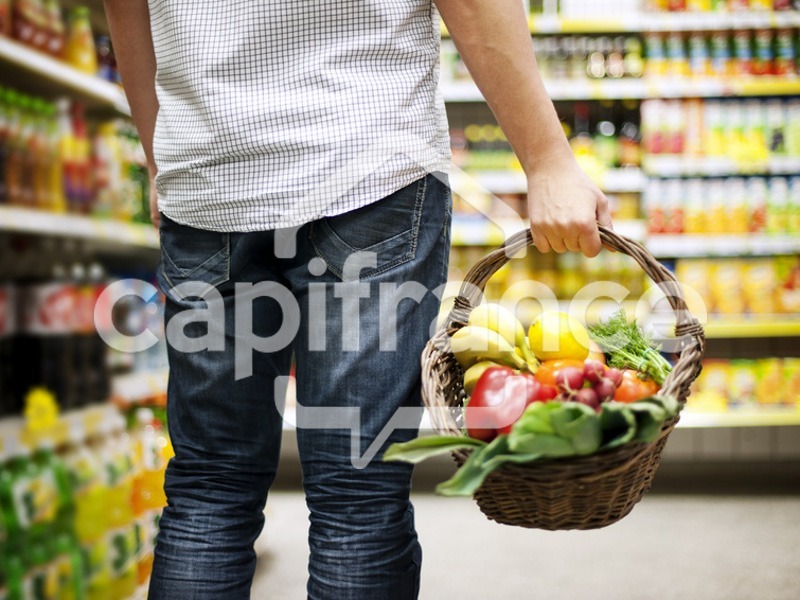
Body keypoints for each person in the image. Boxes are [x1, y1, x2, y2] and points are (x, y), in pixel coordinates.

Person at [103, 0, 613, 598]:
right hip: (364, 165)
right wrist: (548, 159)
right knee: (358, 490)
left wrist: (160, 155)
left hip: (209, 181)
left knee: (209, 486)